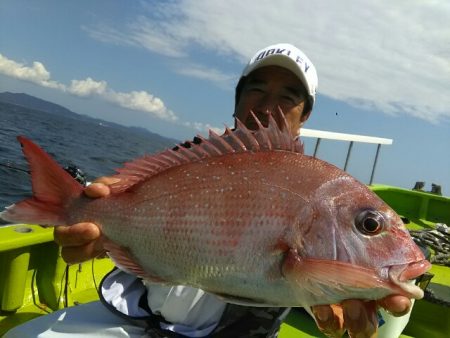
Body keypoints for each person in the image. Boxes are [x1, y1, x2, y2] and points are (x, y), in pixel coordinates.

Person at [5, 43, 414, 338]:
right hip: (135, 317)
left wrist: (340, 298)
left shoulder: (321, 186)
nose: (269, 105)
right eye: (257, 89)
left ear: (304, 114)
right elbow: (122, 200)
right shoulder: (189, 160)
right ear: (237, 99)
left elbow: (302, 278)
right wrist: (100, 221)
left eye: (287, 96)